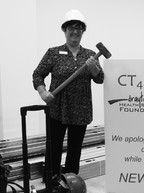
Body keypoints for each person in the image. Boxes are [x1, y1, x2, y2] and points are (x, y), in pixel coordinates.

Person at [32, 9, 104, 179]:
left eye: (79, 28)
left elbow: (100, 79)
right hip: (57, 109)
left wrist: (94, 69)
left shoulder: (90, 55)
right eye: (71, 27)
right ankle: (51, 183)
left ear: (83, 32)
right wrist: (43, 92)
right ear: (64, 30)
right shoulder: (53, 53)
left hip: (81, 110)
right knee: (53, 148)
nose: (75, 31)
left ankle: (71, 184)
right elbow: (37, 74)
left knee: (75, 150)